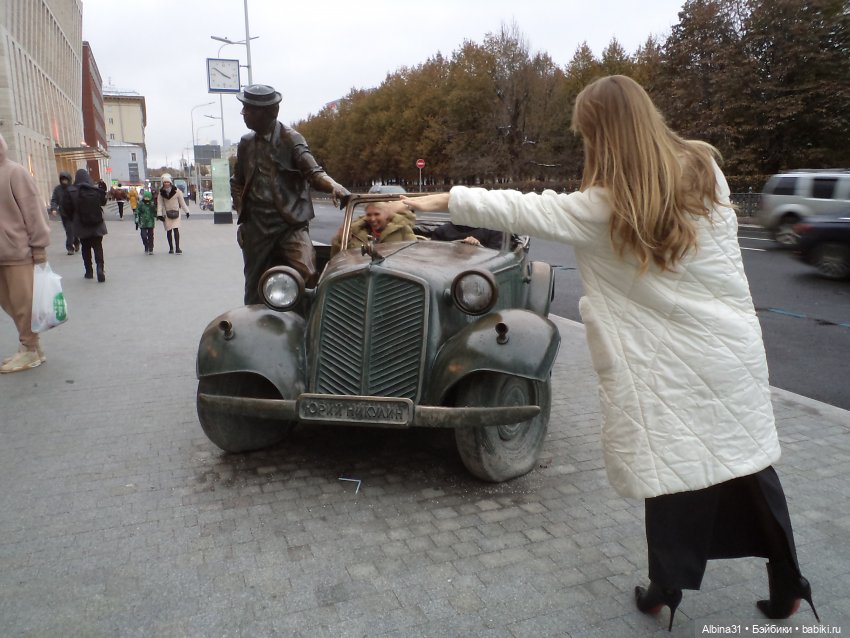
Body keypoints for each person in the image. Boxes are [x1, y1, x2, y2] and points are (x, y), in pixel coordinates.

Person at [403, 75, 816, 630]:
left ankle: (665, 592)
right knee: (747, 464)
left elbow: (516, 208)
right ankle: (789, 582)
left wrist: (426, 198)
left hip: (663, 364)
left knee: (671, 469)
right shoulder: (704, 169)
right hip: (727, 350)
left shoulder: (600, 209)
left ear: (598, 135)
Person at [230, 84, 350, 303]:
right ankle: (255, 330)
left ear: (268, 112)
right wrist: (243, 219)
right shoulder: (246, 144)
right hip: (256, 226)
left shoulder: (291, 138)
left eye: (248, 109)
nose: (243, 113)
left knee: (308, 273)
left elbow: (313, 172)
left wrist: (334, 186)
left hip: (289, 225)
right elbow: (237, 182)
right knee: (254, 286)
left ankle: (306, 327)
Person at [0, 132, 50, 373]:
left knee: (23, 303)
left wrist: (38, 248)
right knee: (9, 303)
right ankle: (32, 347)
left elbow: (34, 211)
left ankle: (29, 348)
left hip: (17, 252)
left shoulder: (14, 172)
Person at [330, 201, 416, 256]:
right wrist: (341, 241)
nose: (372, 219)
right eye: (369, 215)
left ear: (387, 214)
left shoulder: (402, 229)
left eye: (377, 214)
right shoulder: (355, 232)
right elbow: (336, 261)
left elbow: (414, 255)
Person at [67, 168, 108, 282]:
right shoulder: (95, 190)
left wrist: (73, 219)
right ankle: (100, 268)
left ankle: (89, 272)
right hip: (97, 224)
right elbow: (104, 202)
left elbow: (67, 210)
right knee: (98, 247)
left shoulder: (73, 192)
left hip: (82, 225)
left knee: (85, 248)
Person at [156, 173, 188, 254]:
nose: (166, 184)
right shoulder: (161, 192)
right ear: (163, 183)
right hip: (166, 213)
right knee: (169, 231)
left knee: (176, 229)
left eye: (168, 182)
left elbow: (182, 202)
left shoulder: (177, 191)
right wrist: (159, 214)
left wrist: (187, 211)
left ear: (170, 183)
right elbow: (159, 203)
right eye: (165, 182)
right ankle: (171, 248)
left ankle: (177, 248)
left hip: (176, 212)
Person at [49, 171, 79, 255]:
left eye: (65, 180)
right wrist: (54, 208)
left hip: (74, 213)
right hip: (64, 214)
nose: (64, 181)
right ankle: (70, 247)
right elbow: (54, 199)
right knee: (69, 230)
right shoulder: (58, 189)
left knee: (75, 230)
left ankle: (76, 242)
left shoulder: (73, 188)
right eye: (62, 180)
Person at [430, 221, 502, 249]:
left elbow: (498, 259)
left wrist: (478, 248)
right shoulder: (442, 230)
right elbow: (434, 255)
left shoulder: (493, 231)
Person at [135, 190, 157, 255]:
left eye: (148, 197)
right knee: (143, 235)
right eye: (145, 197)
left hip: (150, 222)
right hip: (142, 222)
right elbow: (137, 212)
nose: (147, 199)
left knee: (150, 235)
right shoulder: (140, 203)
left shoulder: (152, 204)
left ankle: (151, 248)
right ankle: (146, 245)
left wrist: (158, 214)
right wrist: (136, 221)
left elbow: (155, 212)